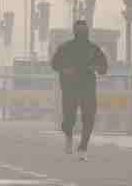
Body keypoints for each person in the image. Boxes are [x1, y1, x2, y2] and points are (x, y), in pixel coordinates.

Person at [51, 20, 108, 161]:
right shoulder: (65, 48)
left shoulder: (93, 49)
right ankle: (69, 135)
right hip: (70, 88)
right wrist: (65, 70)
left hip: (87, 88)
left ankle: (83, 147)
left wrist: (96, 68)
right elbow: (54, 64)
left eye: (84, 31)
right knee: (69, 119)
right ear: (74, 32)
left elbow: (104, 67)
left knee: (89, 117)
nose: (82, 33)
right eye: (79, 31)